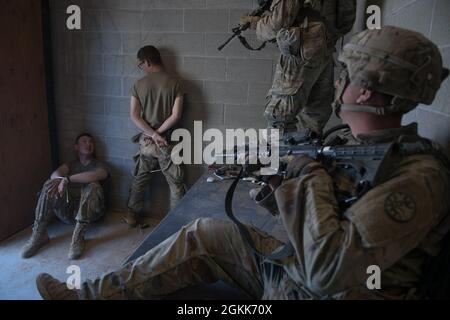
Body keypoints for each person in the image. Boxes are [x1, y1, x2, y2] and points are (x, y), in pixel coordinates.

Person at [35, 26, 449, 300]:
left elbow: (328, 269)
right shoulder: (346, 141)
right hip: (298, 266)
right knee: (204, 232)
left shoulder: (419, 176)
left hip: (320, 290)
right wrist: (275, 185)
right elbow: (315, 221)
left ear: (365, 92)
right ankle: (86, 296)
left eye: (346, 73)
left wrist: (305, 174)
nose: (336, 80)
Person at [240, 0, 356, 136]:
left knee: (279, 116)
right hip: (325, 49)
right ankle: (305, 155)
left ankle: (280, 156)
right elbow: (347, 19)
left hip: (301, 51)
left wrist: (256, 24)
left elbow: (275, 25)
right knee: (313, 120)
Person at [125, 45, 187, 228]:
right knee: (175, 183)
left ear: (147, 61)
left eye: (140, 64)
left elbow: (134, 116)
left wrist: (152, 134)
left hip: (147, 141)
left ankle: (131, 215)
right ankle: (176, 223)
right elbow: (176, 116)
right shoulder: (176, 83)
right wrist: (159, 134)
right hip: (167, 141)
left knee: (140, 178)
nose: (141, 68)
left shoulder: (138, 85)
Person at [22, 133, 109, 260]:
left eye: (91, 142)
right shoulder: (70, 165)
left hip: (91, 214)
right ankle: (39, 234)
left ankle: (78, 236)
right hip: (68, 212)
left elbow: (97, 175)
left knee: (93, 185)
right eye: (84, 141)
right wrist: (59, 179)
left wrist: (67, 179)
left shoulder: (99, 165)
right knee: (49, 184)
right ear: (76, 147)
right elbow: (55, 174)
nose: (88, 144)